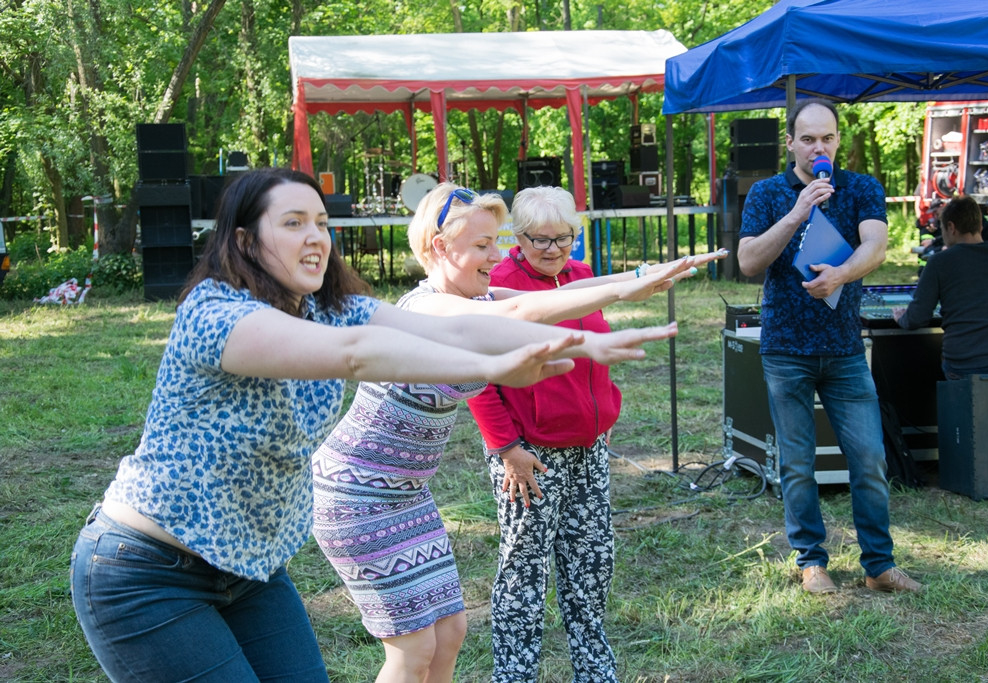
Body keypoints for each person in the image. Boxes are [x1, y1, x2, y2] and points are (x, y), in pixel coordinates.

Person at [69, 168, 677, 683]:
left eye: (322, 224)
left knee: (446, 633)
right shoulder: (214, 313)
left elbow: (470, 323)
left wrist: (595, 324)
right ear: (244, 239)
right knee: (412, 648)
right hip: (147, 569)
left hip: (251, 570)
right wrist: (493, 367)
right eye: (293, 223)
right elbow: (355, 352)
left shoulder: (330, 307)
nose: (316, 238)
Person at [311, 182, 723, 682]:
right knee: (414, 650)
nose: (499, 254)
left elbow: (557, 294)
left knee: (450, 635)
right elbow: (515, 312)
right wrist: (610, 307)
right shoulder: (427, 307)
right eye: (483, 245)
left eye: (496, 242)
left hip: (407, 494)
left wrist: (639, 277)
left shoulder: (473, 293)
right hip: (357, 494)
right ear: (441, 247)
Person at [460, 186, 718, 682]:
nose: (553, 250)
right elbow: (478, 377)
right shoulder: (497, 285)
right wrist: (507, 448)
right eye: (540, 240)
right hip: (529, 453)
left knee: (591, 561)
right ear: (517, 237)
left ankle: (595, 671)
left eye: (564, 239)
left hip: (588, 448)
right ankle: (515, 675)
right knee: (524, 568)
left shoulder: (581, 278)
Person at [736, 99, 922, 595]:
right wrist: (798, 212)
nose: (820, 148)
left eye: (829, 138)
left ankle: (879, 565)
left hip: (843, 350)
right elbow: (748, 261)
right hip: (786, 349)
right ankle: (811, 562)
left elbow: (876, 246)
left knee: (869, 458)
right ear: (791, 143)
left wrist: (842, 273)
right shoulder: (768, 192)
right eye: (810, 139)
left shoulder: (861, 187)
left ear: (838, 140)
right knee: (797, 462)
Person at [893, 196, 988, 379]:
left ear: (951, 228)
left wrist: (901, 318)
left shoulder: (939, 262)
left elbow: (917, 318)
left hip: (962, 363)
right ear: (980, 225)